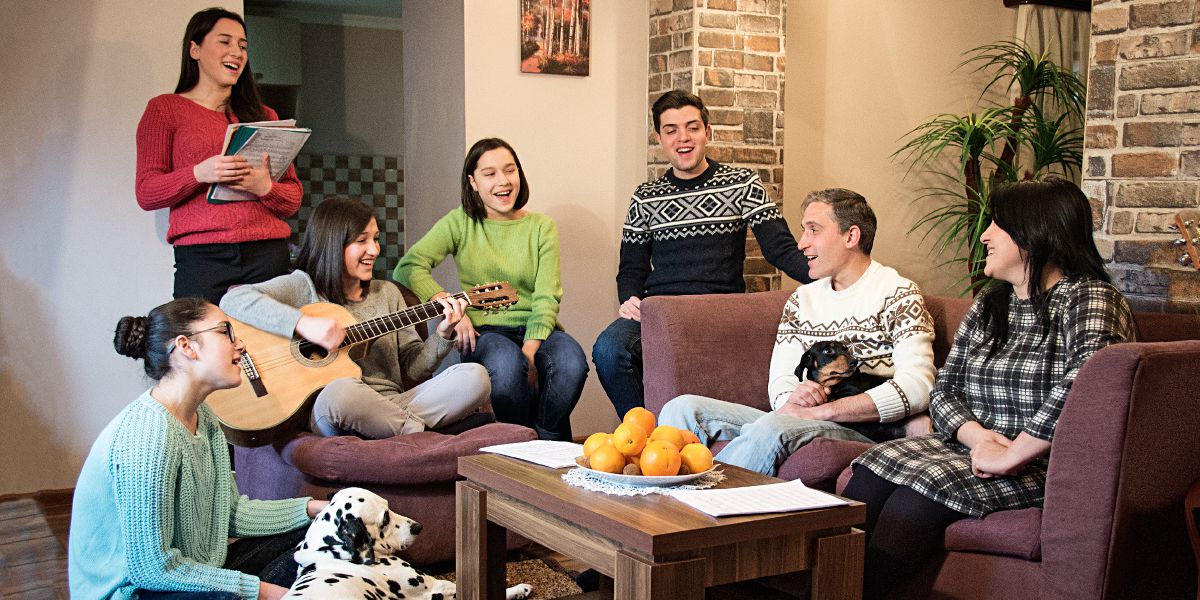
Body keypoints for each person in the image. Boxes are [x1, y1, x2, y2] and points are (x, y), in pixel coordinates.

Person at [842, 178, 1135, 600]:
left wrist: (1012, 454)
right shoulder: (990, 304)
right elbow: (944, 390)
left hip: (1036, 463)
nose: (984, 235)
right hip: (972, 449)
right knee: (867, 479)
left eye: (997, 224)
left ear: (1035, 231)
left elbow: (1087, 380)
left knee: (913, 501)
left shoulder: (1088, 298)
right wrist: (979, 439)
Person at [658, 188, 937, 476]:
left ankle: (699, 506)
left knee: (773, 426)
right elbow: (782, 379)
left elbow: (918, 386)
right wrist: (795, 400)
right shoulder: (803, 300)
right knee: (682, 408)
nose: (802, 244)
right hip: (803, 417)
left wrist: (824, 410)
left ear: (851, 236)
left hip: (862, 428)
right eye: (803, 231)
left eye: (813, 230)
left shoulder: (898, 293)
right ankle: (666, 503)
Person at [69, 298, 329, 599]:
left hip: (188, 572)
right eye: (226, 332)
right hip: (137, 591)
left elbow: (229, 513)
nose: (241, 344)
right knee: (235, 595)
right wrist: (267, 592)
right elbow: (152, 570)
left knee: (321, 532)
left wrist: (315, 508)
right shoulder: (148, 435)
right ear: (186, 347)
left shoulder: (203, 416)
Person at [593, 89, 813, 420]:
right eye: (671, 130)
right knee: (609, 349)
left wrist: (827, 275)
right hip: (662, 312)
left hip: (718, 310)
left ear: (707, 132)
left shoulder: (743, 184)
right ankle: (647, 433)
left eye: (692, 127)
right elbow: (631, 269)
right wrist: (629, 299)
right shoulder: (645, 197)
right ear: (660, 138)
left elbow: (780, 249)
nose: (683, 138)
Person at [220, 196, 490, 438]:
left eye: (375, 239)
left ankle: (392, 430)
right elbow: (234, 300)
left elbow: (413, 369)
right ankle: (417, 433)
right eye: (362, 241)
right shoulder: (303, 286)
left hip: (392, 402)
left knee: (475, 377)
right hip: (335, 408)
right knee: (342, 391)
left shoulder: (387, 293)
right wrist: (304, 324)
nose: (374, 250)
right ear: (333, 244)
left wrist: (442, 335)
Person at [394, 138, 588, 441]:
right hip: (486, 334)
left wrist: (531, 349)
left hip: (538, 329)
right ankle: (522, 442)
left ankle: (549, 437)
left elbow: (546, 296)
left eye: (509, 171)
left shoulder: (541, 226)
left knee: (572, 362)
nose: (503, 181)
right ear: (472, 182)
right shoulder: (460, 223)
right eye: (490, 174)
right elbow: (408, 267)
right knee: (506, 368)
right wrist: (453, 308)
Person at [136, 8, 303, 304]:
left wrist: (263, 187)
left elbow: (292, 198)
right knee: (199, 345)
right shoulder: (164, 109)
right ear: (195, 49)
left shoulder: (265, 116)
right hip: (202, 256)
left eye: (242, 45)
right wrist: (200, 173)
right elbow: (147, 192)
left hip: (267, 252)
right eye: (225, 42)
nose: (236, 52)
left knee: (271, 349)